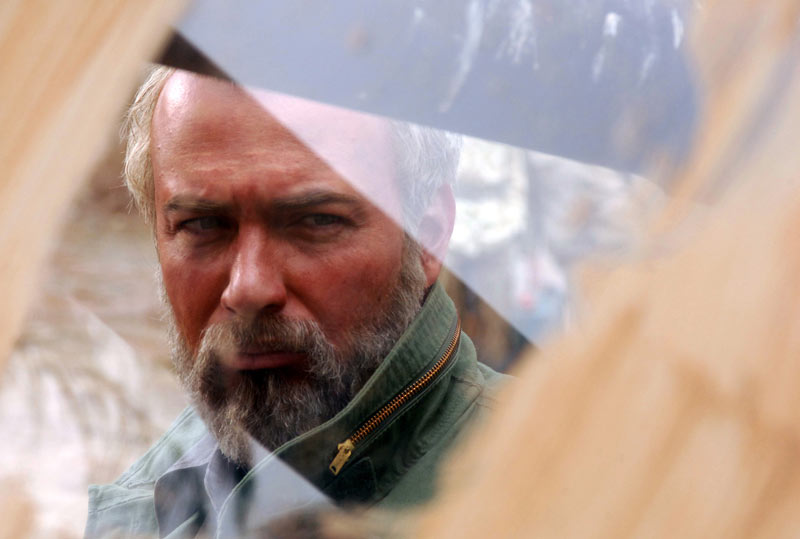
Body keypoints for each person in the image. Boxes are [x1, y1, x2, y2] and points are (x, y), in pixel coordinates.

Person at [85, 66, 508, 537]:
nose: (248, 288)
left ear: (427, 236)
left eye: (316, 221)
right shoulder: (144, 506)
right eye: (203, 224)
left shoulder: (557, 493)